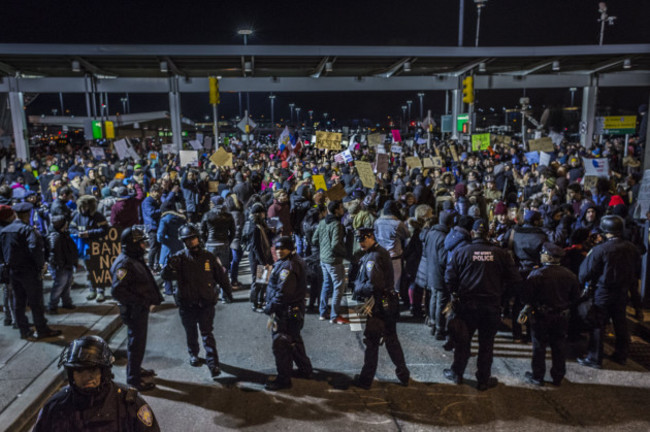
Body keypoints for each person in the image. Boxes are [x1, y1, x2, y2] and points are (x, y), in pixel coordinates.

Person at [444, 219, 521, 391]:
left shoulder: (462, 252)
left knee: (463, 342)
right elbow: (515, 280)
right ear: (489, 234)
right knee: (486, 345)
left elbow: (449, 278)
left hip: (467, 306)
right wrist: (502, 297)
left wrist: (456, 294)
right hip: (491, 306)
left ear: (472, 234)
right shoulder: (501, 254)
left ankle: (457, 373)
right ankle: (483, 379)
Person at [33, 335, 160, 431]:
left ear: (104, 372)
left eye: (93, 370)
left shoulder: (129, 404)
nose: (87, 377)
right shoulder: (55, 407)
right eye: (79, 371)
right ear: (72, 375)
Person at [162, 224, 230, 380]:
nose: (192, 242)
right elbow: (166, 276)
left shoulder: (209, 256)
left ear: (198, 238)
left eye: (193, 238)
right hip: (187, 304)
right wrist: (168, 266)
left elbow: (220, 275)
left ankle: (214, 363)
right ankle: (193, 353)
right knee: (191, 332)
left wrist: (227, 291)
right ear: (184, 242)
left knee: (207, 333)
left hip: (205, 302)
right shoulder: (179, 258)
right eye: (188, 240)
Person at [578, 215, 641, 368]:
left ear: (606, 231)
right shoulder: (632, 248)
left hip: (603, 291)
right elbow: (637, 271)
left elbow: (585, 272)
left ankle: (594, 357)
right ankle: (621, 355)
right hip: (622, 291)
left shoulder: (601, 249)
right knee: (620, 322)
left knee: (598, 323)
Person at [351, 228, 410, 389]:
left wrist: (358, 287)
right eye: (358, 239)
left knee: (372, 343)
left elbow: (374, 284)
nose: (360, 242)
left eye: (363, 239)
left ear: (371, 237)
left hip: (378, 306)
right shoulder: (378, 253)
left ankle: (365, 380)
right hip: (388, 304)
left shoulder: (374, 257)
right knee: (391, 340)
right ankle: (403, 374)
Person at [111, 227, 163, 391]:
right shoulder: (125, 264)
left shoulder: (134, 258)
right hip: (134, 311)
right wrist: (140, 301)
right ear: (131, 244)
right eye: (140, 243)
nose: (143, 246)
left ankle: (136, 369)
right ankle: (133, 380)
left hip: (139, 308)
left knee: (139, 344)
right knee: (136, 344)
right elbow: (118, 290)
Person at [522, 243, 581, 386]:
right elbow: (576, 297)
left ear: (547, 256)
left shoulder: (537, 274)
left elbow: (526, 296)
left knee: (539, 346)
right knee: (559, 346)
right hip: (561, 316)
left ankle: (538, 376)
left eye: (543, 254)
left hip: (541, 315)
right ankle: (558, 376)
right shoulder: (570, 275)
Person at [1, 202, 61, 340]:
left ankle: (24, 330)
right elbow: (35, 248)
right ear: (28, 215)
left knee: (18, 301)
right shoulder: (27, 230)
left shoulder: (5, 231)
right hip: (29, 271)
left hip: (13, 271)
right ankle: (42, 329)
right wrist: (41, 265)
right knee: (36, 302)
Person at [263, 236, 313, 391]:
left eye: (282, 248)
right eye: (277, 248)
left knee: (281, 344)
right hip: (294, 312)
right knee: (294, 340)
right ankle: (306, 369)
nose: (279, 251)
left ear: (290, 248)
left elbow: (284, 293)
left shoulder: (289, 267)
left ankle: (283, 379)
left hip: (285, 312)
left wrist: (270, 307)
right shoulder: (292, 261)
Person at [312, 200, 349, 324]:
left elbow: (314, 239)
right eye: (341, 207)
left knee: (326, 285)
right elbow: (335, 245)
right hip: (334, 260)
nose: (343, 209)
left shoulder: (322, 222)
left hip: (323, 259)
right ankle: (335, 315)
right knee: (338, 287)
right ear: (336, 210)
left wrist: (324, 247)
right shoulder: (337, 225)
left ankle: (323, 313)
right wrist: (345, 253)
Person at [69, 195, 109, 302]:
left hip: (97, 247)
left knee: (98, 270)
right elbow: (71, 228)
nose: (83, 209)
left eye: (85, 207)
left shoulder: (98, 216)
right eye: (81, 207)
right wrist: (78, 233)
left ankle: (100, 291)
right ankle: (92, 290)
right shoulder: (77, 216)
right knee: (89, 270)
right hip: (84, 248)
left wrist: (89, 233)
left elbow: (105, 230)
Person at [200, 196, 236, 303]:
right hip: (224, 243)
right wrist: (228, 241)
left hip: (211, 244)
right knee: (224, 270)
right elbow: (233, 232)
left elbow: (202, 231)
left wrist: (206, 241)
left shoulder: (207, 215)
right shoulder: (228, 216)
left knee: (209, 270)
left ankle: (211, 294)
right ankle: (225, 296)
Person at [46, 215, 78, 314]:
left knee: (67, 284)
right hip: (62, 266)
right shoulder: (56, 236)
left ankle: (66, 302)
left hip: (67, 264)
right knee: (59, 286)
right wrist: (60, 265)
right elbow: (54, 253)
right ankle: (52, 306)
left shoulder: (63, 233)